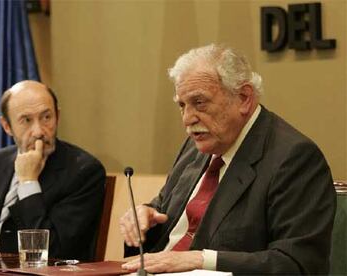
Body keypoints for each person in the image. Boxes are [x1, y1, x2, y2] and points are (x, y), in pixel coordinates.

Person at [119, 44, 336, 274]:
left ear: (243, 98)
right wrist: (144, 216)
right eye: (182, 105)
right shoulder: (196, 147)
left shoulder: (294, 158)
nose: (187, 118)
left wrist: (201, 260)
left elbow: (297, 264)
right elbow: (163, 209)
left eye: (199, 103)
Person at [0, 80, 106, 261]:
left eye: (47, 117)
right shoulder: (0, 161)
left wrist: (28, 182)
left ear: (58, 116)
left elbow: (53, 250)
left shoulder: (83, 171)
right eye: (26, 120)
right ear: (7, 126)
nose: (39, 131)